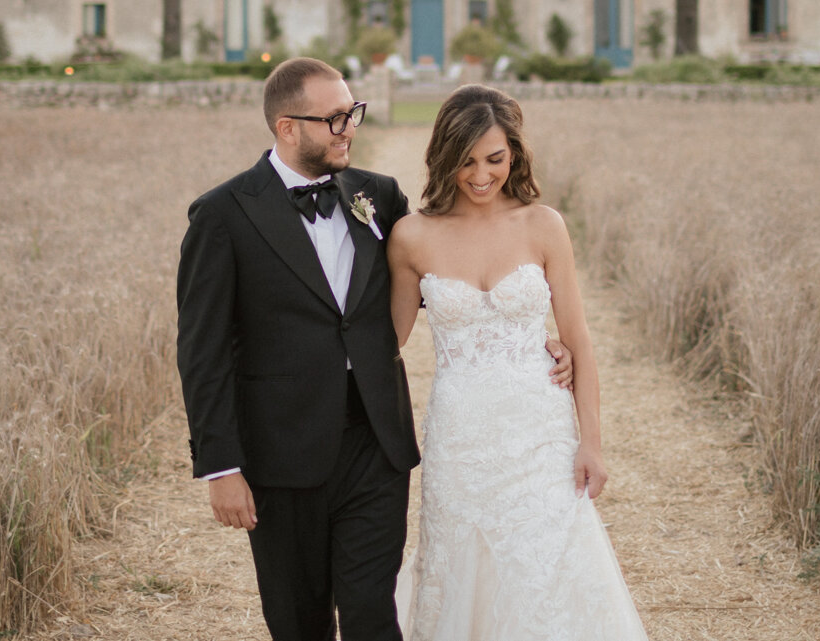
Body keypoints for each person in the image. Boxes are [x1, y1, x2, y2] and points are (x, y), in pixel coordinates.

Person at [176, 59, 572, 641]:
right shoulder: (223, 215)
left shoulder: (378, 197)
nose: (348, 128)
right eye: (334, 119)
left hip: (375, 442)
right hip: (280, 453)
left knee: (371, 614)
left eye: (352, 113)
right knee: (299, 620)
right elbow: (201, 351)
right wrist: (221, 467)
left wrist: (528, 333)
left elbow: (444, 274)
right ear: (287, 127)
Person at [387, 84, 648, 640]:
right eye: (467, 162)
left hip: (540, 432)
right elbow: (385, 342)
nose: (481, 175)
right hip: (459, 439)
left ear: (515, 154)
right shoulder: (411, 237)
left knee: (546, 570)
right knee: (461, 569)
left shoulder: (543, 225)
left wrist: (591, 443)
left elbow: (578, 338)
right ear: (444, 158)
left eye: (495, 159)